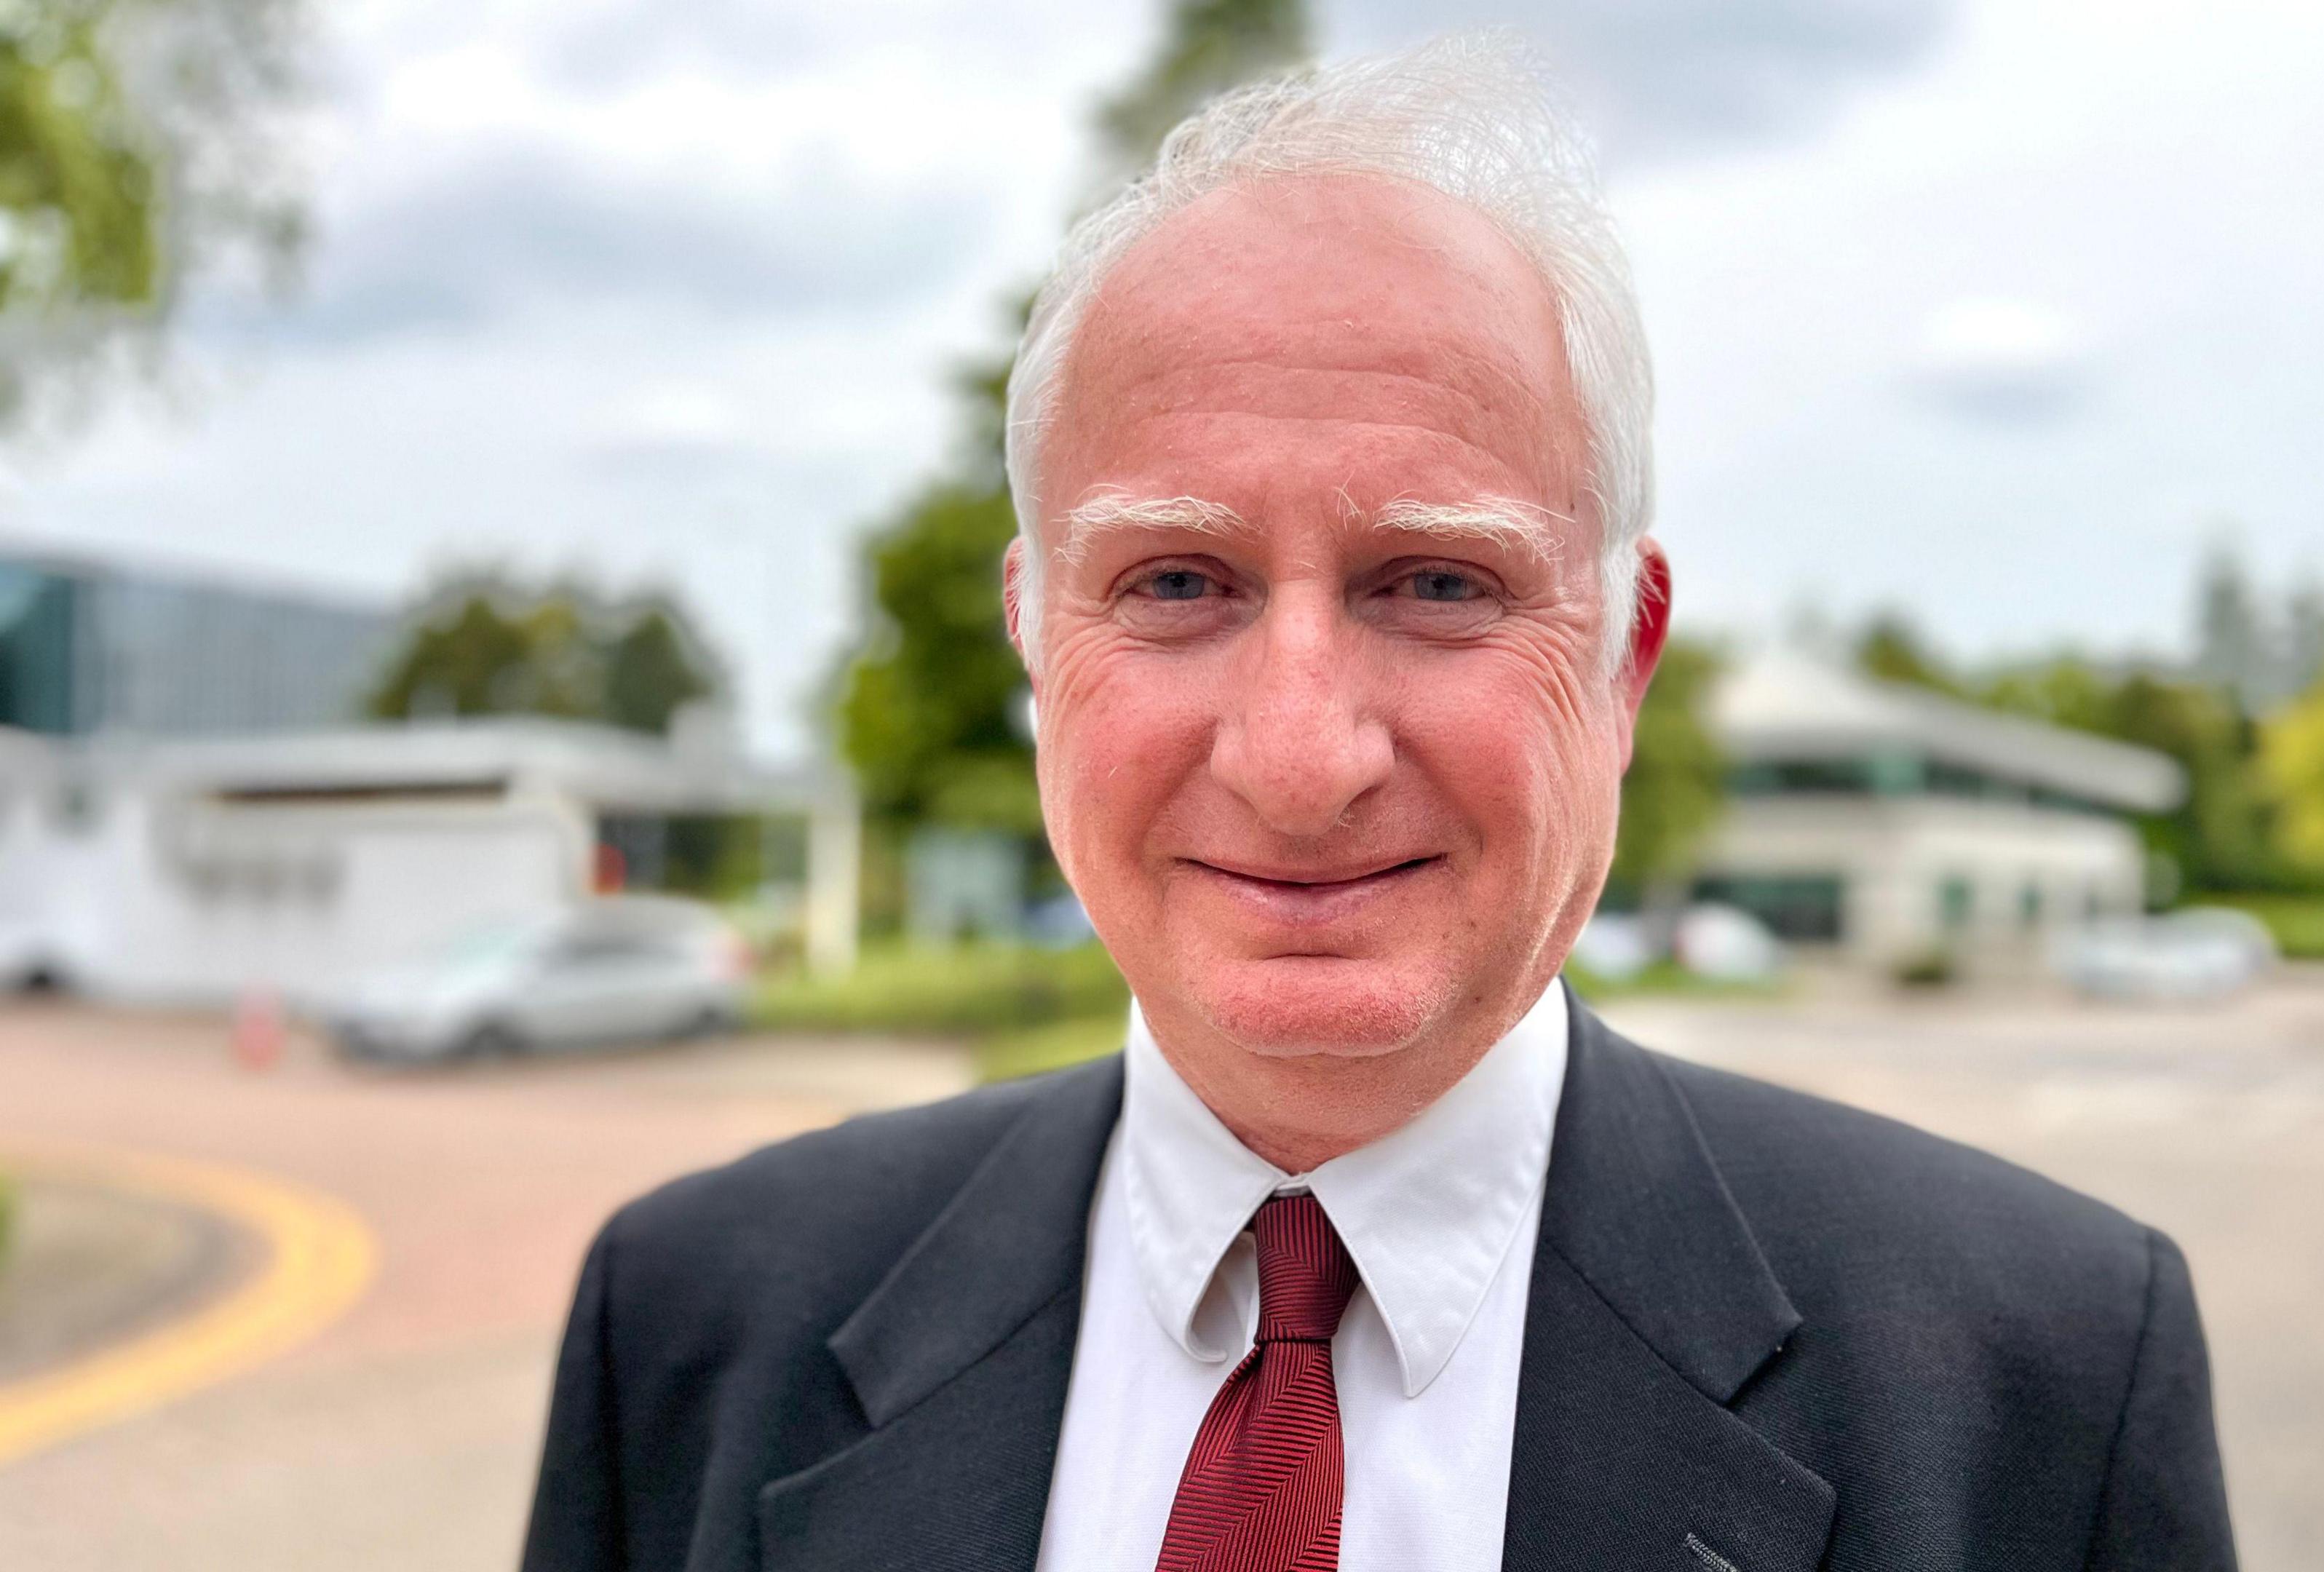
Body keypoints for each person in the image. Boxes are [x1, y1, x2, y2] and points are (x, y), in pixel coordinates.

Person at [522, 34, 2236, 1572]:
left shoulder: (2043, 1381)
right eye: (1181, 583)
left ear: (1624, 661)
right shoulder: (689, 1326)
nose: (1298, 755)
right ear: (1038, 642)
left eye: (1433, 584)